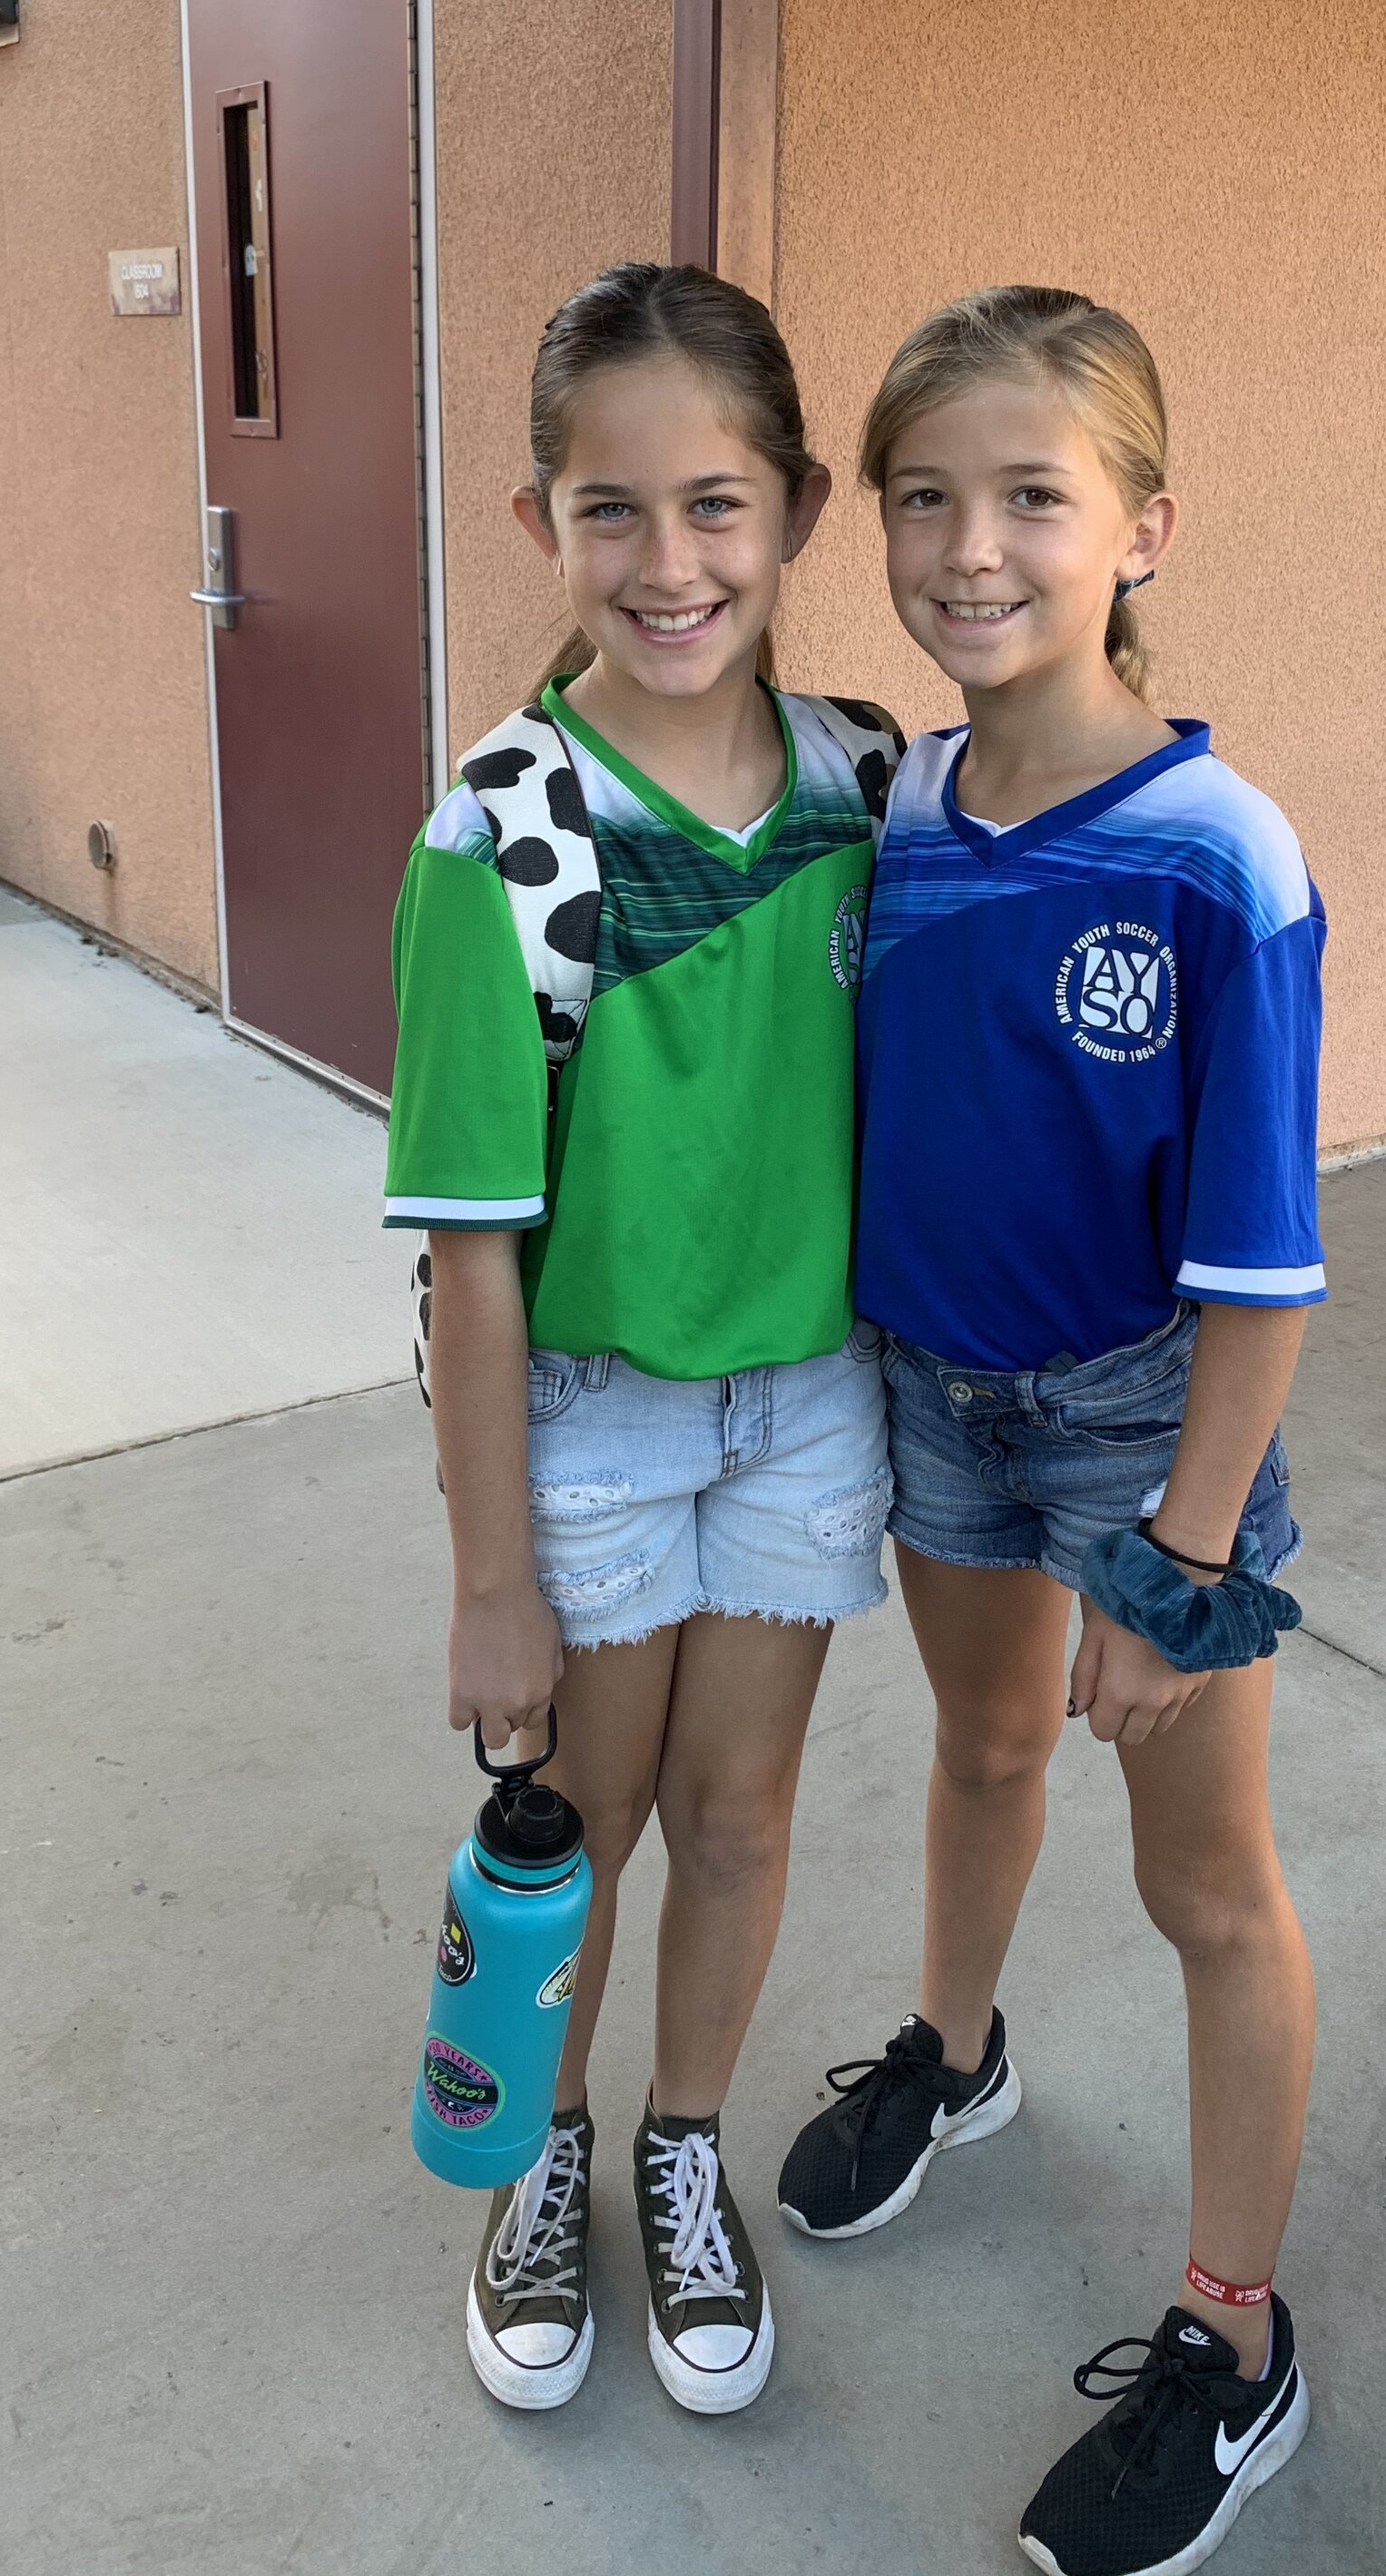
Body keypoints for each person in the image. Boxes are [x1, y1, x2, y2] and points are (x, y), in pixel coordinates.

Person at [776, 288, 1325, 2574]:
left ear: (1143, 526)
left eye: (1030, 495)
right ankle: (956, 2050)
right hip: (934, 1392)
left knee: (1200, 1880)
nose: (968, 545)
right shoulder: (890, 800)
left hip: (1134, 1432)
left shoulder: (1215, 847)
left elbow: (1263, 1262)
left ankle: (1233, 2333)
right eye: (922, 496)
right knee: (979, 1751)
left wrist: (1177, 1549)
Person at [384, 261, 901, 2419]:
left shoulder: (875, 779)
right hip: (588, 1423)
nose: (669, 561)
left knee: (745, 1809)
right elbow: (473, 1256)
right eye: (613, 511)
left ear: (790, 508)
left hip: (810, 1404)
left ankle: (682, 2136)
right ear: (540, 527)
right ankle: (544, 2145)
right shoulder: (495, 832)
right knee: (582, 1827)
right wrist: (490, 1573)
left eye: (715, 504)